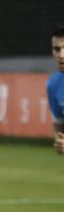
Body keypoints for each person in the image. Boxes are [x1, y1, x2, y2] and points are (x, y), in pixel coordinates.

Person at [49, 26, 64, 155]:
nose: (62, 55)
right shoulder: (53, 85)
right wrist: (60, 143)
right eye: (57, 49)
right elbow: (60, 133)